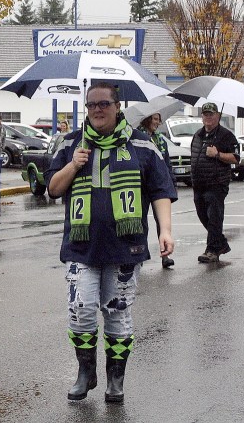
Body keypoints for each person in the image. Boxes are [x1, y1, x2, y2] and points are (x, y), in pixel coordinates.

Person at [47, 83, 175, 403]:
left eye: (104, 103)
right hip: (81, 245)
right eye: (91, 105)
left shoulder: (142, 144)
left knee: (117, 312)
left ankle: (115, 380)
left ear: (118, 106)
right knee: (81, 308)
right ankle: (85, 371)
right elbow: (53, 188)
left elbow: (160, 191)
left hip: (125, 248)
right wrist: (73, 164)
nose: (97, 110)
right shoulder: (70, 143)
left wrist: (165, 230)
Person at [189, 102, 240, 264]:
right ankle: (221, 244)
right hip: (198, 184)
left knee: (214, 218)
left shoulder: (226, 136)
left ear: (218, 116)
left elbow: (236, 158)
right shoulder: (197, 135)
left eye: (211, 114)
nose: (208, 117)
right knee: (202, 215)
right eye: (205, 114)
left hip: (216, 184)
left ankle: (211, 250)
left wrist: (217, 154)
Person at [138, 112, 175, 269]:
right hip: (141, 187)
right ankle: (139, 253)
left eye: (159, 120)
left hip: (158, 186)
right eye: (154, 119)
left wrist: (171, 183)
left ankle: (165, 255)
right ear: (147, 119)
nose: (157, 122)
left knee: (162, 222)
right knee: (140, 222)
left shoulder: (160, 140)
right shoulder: (137, 137)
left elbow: (167, 164)